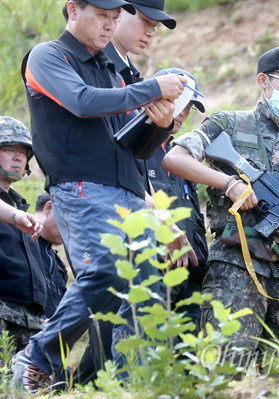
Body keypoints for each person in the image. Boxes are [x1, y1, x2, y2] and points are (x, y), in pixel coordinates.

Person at [13, 0, 187, 392]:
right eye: (102, 16)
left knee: (144, 289)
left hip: (127, 191)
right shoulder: (47, 55)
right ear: (73, 10)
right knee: (107, 269)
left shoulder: (110, 70)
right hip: (80, 185)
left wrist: (159, 126)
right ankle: (39, 354)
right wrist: (150, 89)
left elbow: (134, 147)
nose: (109, 26)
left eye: (114, 18)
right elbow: (81, 102)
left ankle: (133, 383)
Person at [162, 46, 279, 361]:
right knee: (224, 368)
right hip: (236, 266)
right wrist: (229, 183)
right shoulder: (228, 124)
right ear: (263, 81)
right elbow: (175, 157)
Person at [145, 68, 208, 326]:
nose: (182, 114)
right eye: (179, 103)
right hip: (152, 271)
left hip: (191, 275)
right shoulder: (136, 149)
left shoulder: (181, 158)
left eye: (188, 108)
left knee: (188, 358)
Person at [0, 116, 47, 354]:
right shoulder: (14, 212)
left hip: (31, 320)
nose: (18, 157)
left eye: (23, 152)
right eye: (9, 149)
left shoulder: (19, 205)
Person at [33, 194, 68, 321]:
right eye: (67, 221)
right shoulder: (16, 248)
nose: (70, 230)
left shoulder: (58, 264)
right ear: (48, 208)